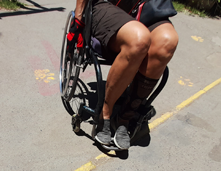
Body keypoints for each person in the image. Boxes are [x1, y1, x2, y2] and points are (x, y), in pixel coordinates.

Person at [70, 0, 179, 149]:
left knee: (168, 40)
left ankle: (125, 116)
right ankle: (104, 114)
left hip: (146, 7)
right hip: (107, 5)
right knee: (138, 39)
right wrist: (79, 18)